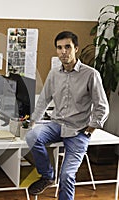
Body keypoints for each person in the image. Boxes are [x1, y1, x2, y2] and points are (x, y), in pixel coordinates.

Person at [25, 31, 109, 200]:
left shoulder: (91, 74)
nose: (63, 52)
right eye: (59, 48)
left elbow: (102, 106)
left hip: (79, 130)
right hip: (56, 125)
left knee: (67, 176)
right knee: (32, 136)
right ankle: (47, 176)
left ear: (76, 48)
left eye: (67, 47)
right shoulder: (54, 73)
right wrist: (32, 121)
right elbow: (43, 100)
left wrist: (91, 128)